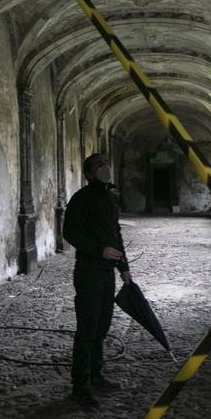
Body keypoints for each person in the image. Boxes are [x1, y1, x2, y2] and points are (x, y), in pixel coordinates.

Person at [63, 153, 132, 406]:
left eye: (105, 162)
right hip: (89, 271)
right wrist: (98, 249)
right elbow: (69, 231)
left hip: (107, 272)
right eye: (98, 165)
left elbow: (116, 234)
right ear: (89, 174)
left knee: (102, 326)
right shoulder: (81, 199)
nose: (105, 167)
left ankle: (96, 373)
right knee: (88, 329)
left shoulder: (110, 198)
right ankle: (80, 384)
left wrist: (123, 267)